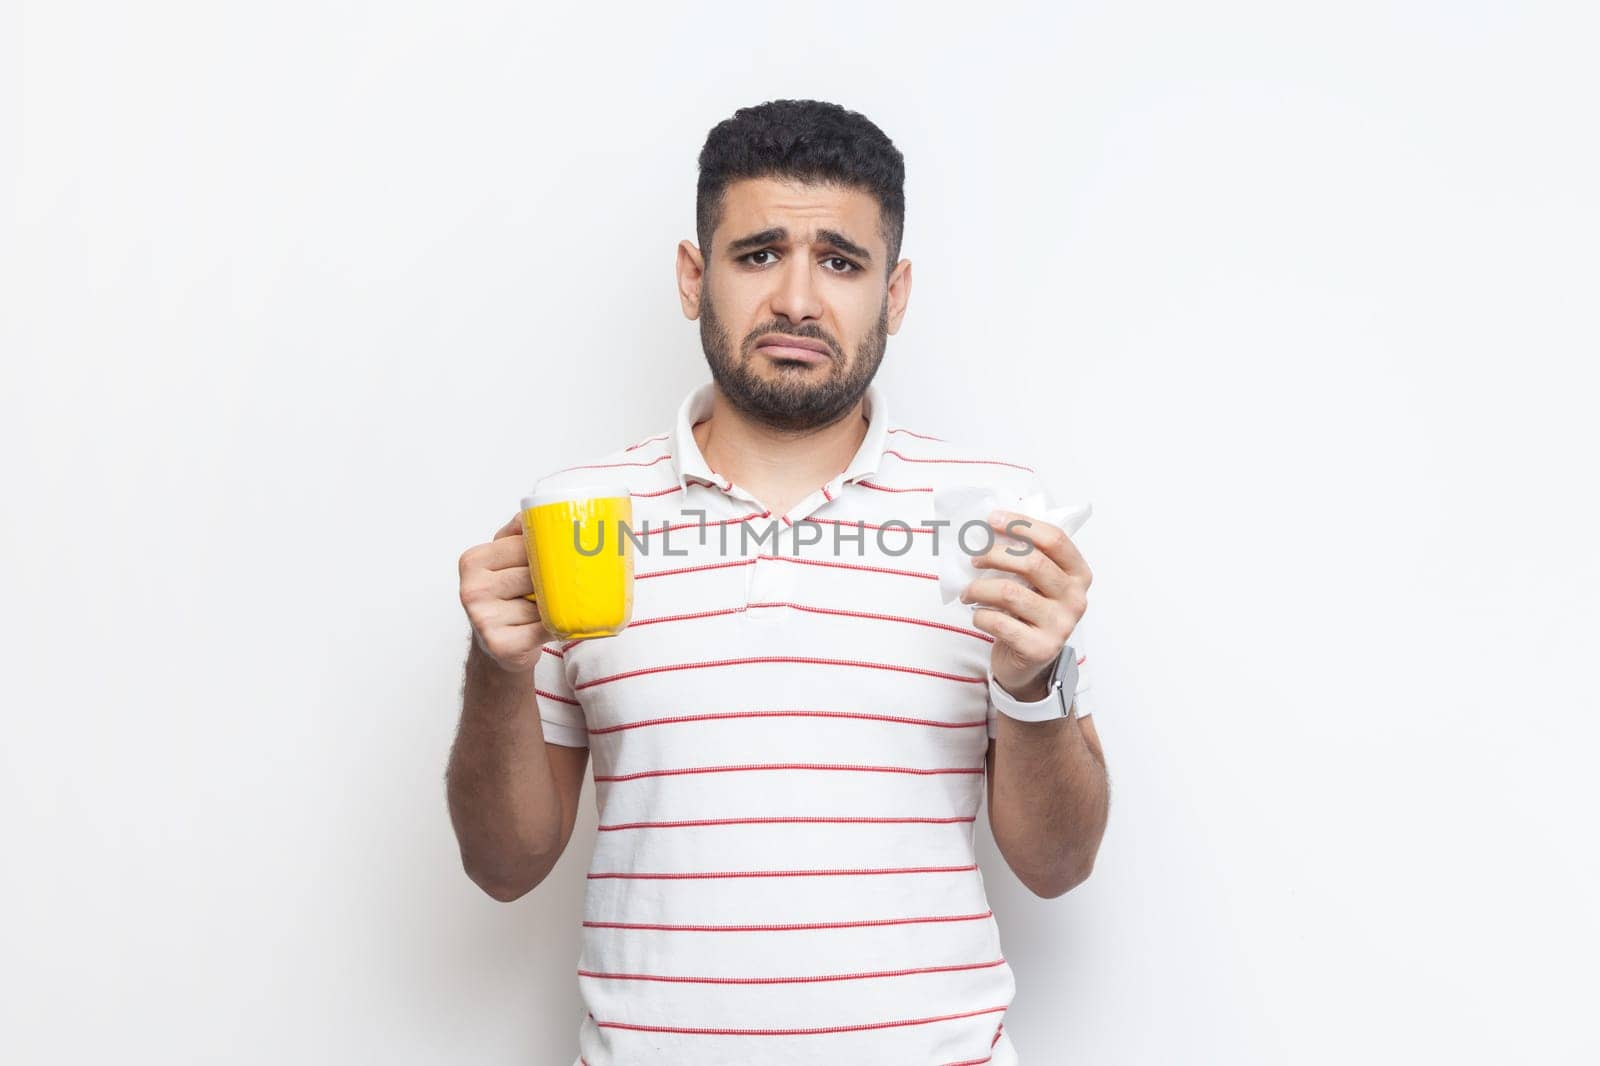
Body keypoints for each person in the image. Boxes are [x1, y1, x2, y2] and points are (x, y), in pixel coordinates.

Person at [448, 98, 1109, 1066]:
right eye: (758, 254)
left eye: (840, 261)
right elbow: (503, 866)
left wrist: (1034, 682)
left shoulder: (989, 519)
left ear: (895, 292)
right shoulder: (579, 518)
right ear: (692, 276)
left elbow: (1057, 866)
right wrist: (496, 670)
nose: (797, 299)